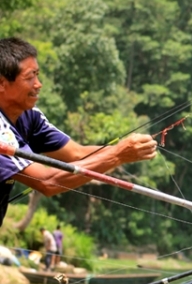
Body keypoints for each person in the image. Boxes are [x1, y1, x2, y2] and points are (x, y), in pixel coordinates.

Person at [0, 37, 158, 227]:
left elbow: (77, 154)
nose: (38, 84)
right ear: (2, 83)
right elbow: (47, 182)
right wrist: (117, 155)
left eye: (38, 75)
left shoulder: (30, 116)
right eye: (30, 77)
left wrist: (127, 151)